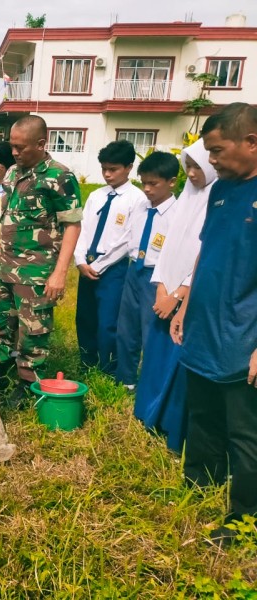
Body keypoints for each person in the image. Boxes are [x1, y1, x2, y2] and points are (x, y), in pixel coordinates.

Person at [171, 103, 257, 547]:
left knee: (246, 432)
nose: (213, 161)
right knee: (202, 411)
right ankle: (199, 483)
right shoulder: (222, 192)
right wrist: (186, 300)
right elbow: (207, 250)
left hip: (245, 333)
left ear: (252, 142)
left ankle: (242, 518)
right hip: (206, 323)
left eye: (219, 151)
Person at [0, 115, 82, 406]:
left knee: (32, 332)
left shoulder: (59, 177)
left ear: (41, 144)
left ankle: (29, 386)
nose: (14, 153)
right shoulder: (13, 173)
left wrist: (60, 273)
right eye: (12, 146)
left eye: (20, 147)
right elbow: (8, 218)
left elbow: (73, 225)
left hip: (36, 271)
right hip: (6, 267)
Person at [133, 139, 216, 452]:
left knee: (176, 364)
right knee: (154, 357)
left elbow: (204, 254)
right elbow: (167, 246)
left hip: (187, 299)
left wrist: (179, 294)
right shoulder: (187, 198)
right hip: (164, 292)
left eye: (198, 167)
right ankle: (148, 416)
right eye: (189, 167)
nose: (192, 174)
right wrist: (161, 286)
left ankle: (169, 425)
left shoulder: (216, 198)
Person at [74, 140, 147, 375]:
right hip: (87, 263)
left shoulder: (137, 199)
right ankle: (87, 361)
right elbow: (82, 228)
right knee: (85, 317)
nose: (107, 174)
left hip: (113, 268)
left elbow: (128, 240)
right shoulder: (96, 196)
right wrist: (80, 260)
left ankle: (108, 367)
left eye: (113, 169)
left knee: (108, 321)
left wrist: (99, 264)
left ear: (128, 167)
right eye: (104, 168)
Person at [115, 151, 179, 391]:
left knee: (151, 332)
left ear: (171, 181)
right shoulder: (141, 208)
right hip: (135, 271)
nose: (147, 189)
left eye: (154, 183)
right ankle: (126, 380)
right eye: (144, 183)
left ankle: (152, 385)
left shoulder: (178, 214)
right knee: (127, 328)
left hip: (158, 277)